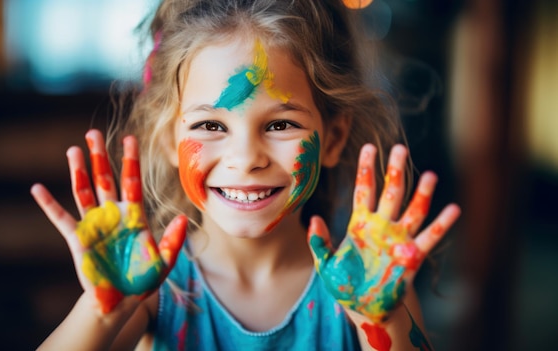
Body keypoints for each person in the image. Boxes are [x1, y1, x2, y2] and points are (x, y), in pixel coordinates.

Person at [30, 0, 461, 349]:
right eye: (210, 126)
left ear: (332, 138)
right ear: (168, 141)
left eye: (280, 125)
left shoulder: (365, 289)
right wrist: (102, 311)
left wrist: (381, 323)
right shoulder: (154, 292)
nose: (245, 158)